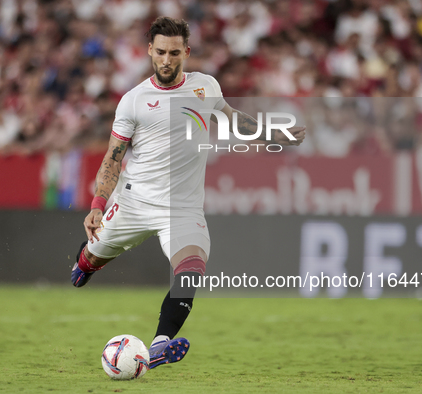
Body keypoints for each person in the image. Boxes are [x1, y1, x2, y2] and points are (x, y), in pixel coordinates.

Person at [71, 16, 305, 369]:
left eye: (175, 53)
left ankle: (159, 345)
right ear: (150, 50)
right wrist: (97, 205)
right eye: (161, 52)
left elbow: (233, 122)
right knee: (91, 258)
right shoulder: (133, 101)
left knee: (192, 268)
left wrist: (276, 134)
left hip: (182, 209)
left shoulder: (205, 87)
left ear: (187, 52)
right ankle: (85, 264)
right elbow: (113, 158)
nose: (167, 60)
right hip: (133, 202)